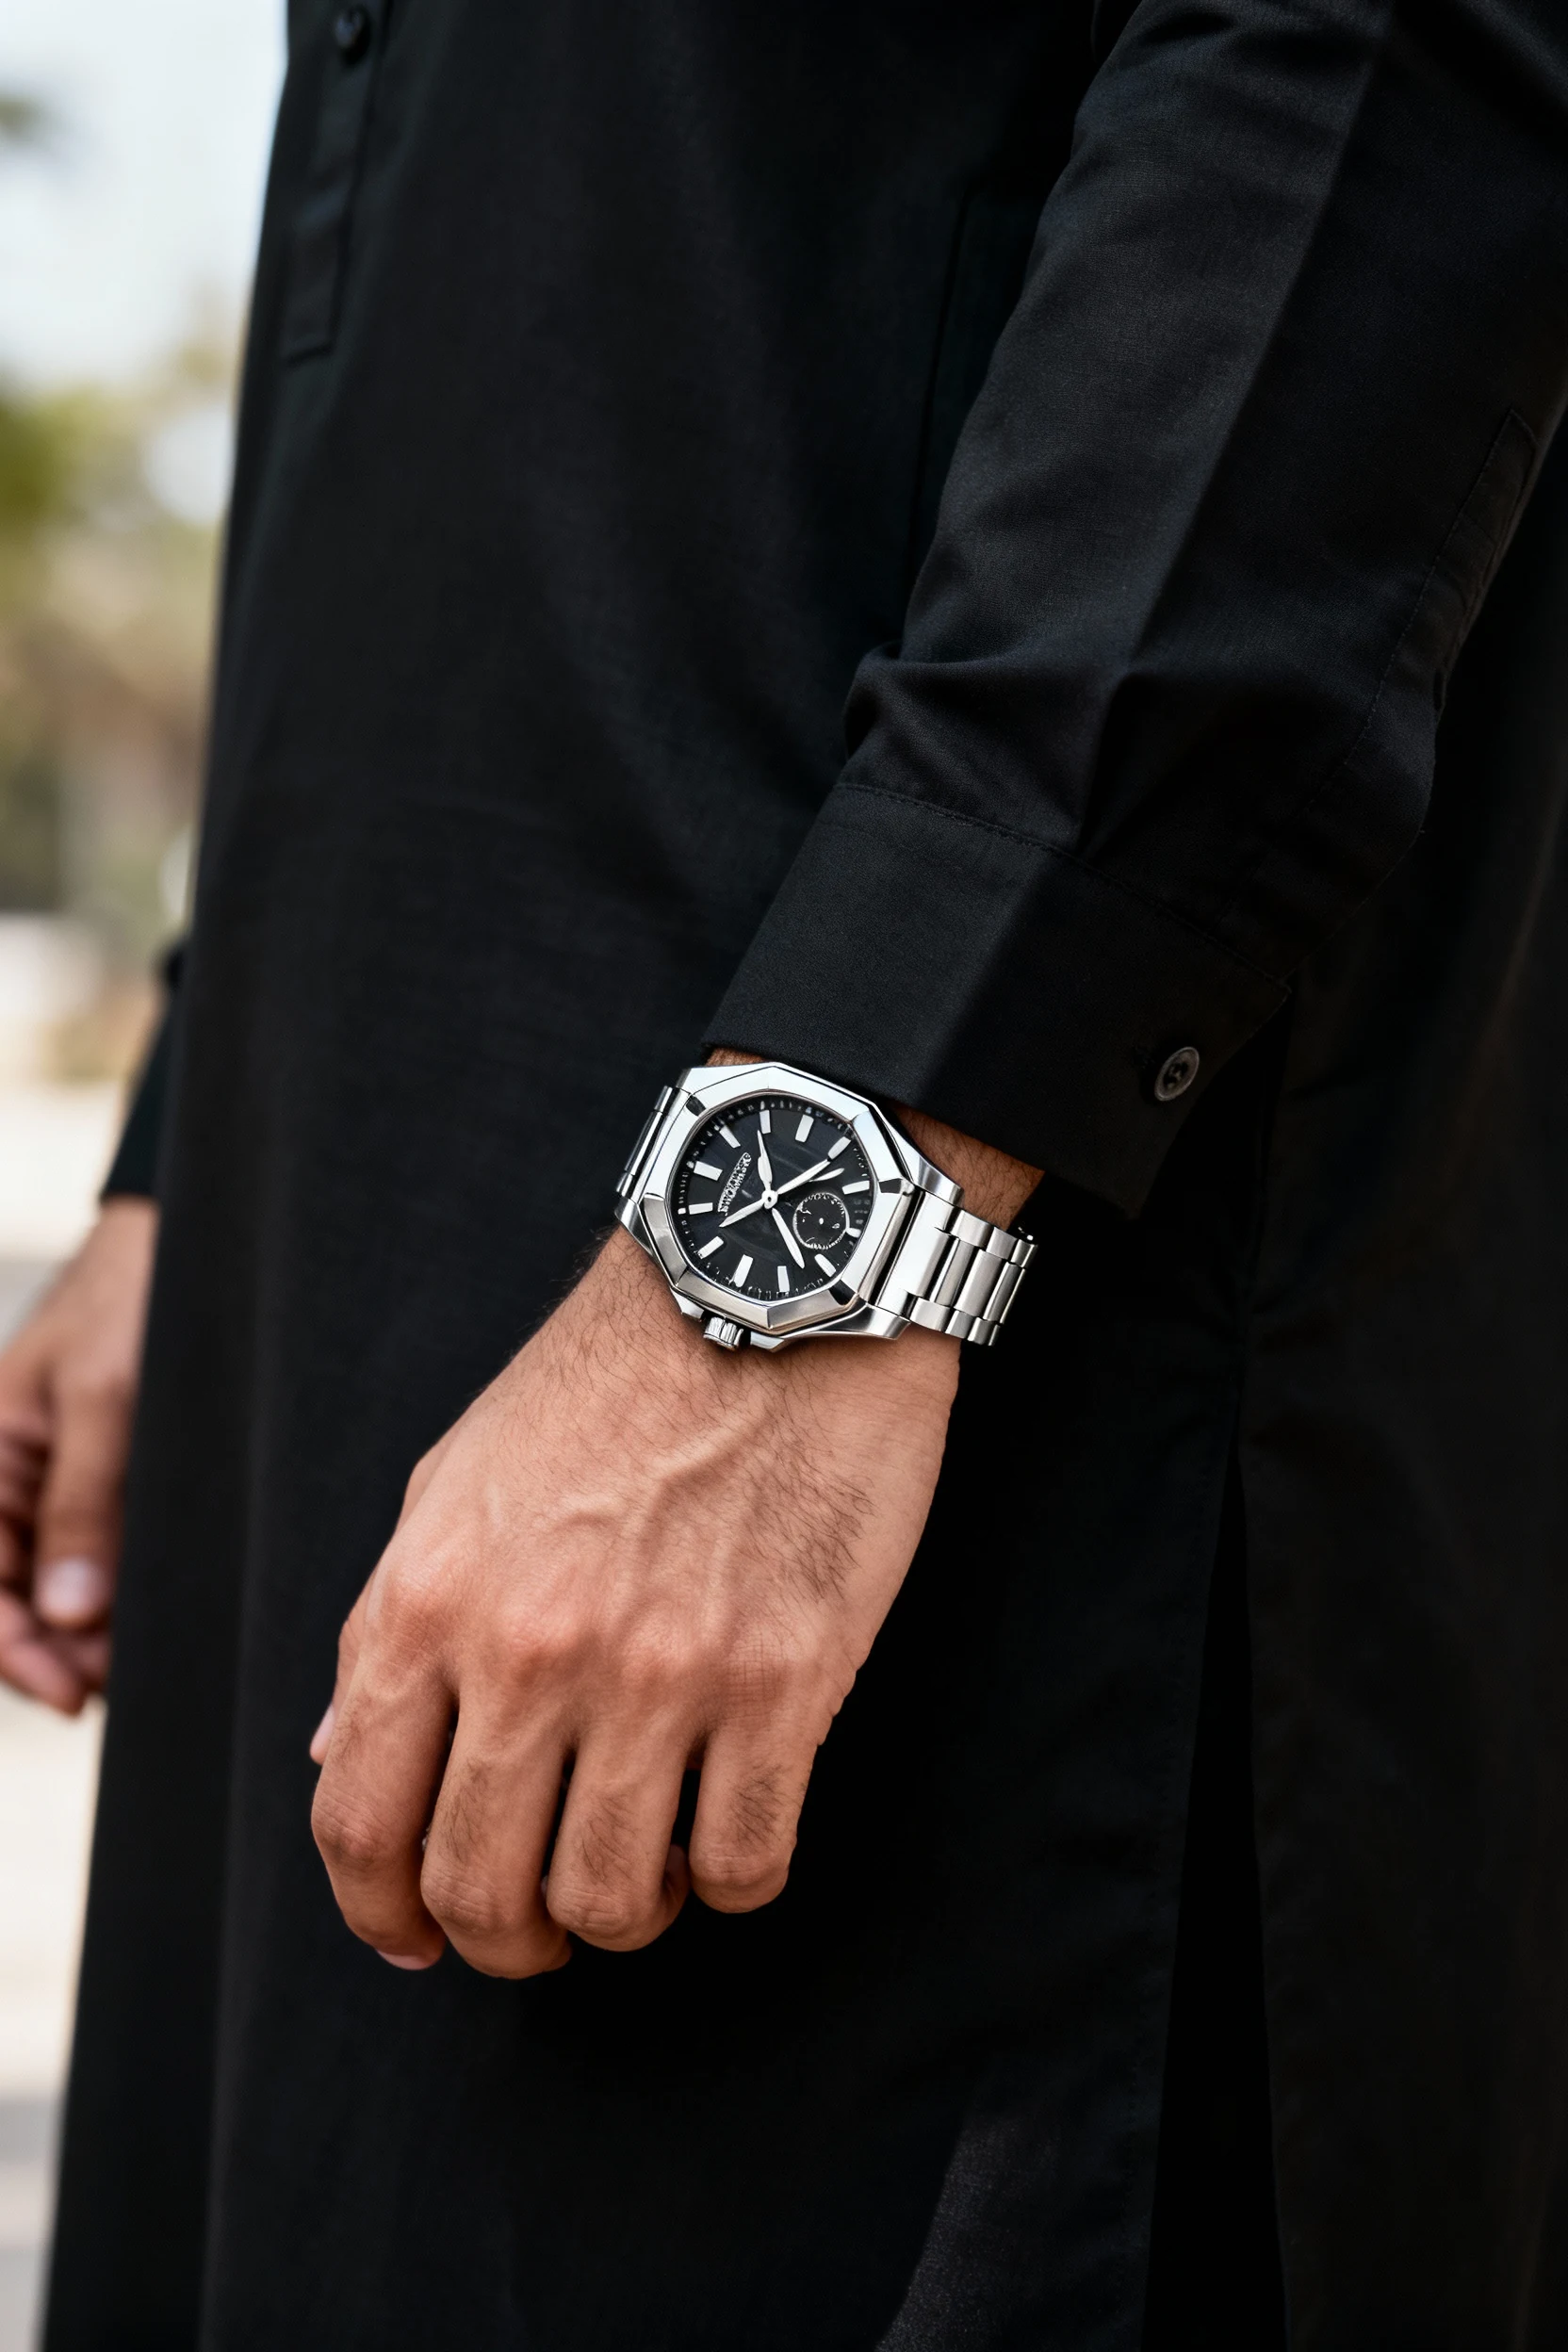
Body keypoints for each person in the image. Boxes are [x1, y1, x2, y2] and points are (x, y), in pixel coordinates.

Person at [3, 0, 1568, 2342]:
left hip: (965, 1397)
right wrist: (176, 1150)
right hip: (340, 1276)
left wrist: (818, 1229)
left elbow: (1357, 79)